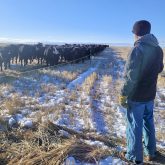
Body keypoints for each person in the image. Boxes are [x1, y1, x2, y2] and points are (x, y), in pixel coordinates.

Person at [119, 20, 164, 164]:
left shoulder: (137, 49)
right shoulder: (158, 49)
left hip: (136, 96)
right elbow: (159, 69)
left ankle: (134, 157)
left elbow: (131, 77)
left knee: (134, 126)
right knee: (148, 122)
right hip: (150, 95)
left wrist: (123, 94)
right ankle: (151, 152)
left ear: (137, 33)